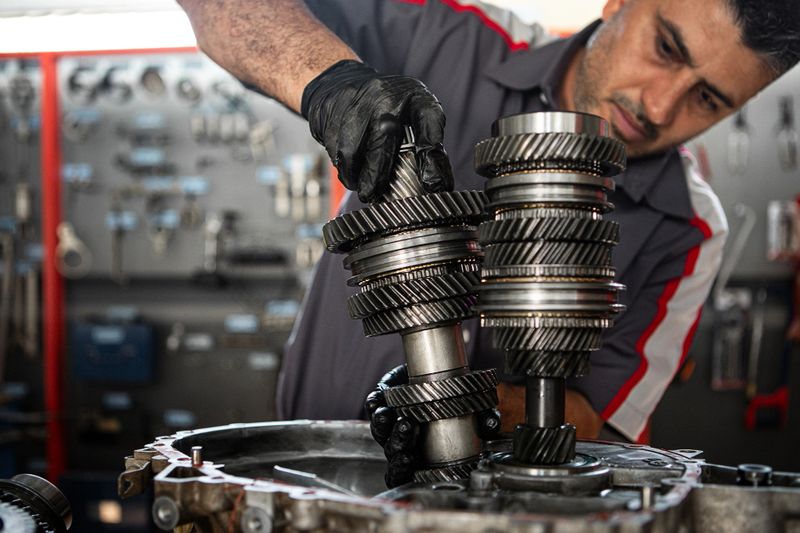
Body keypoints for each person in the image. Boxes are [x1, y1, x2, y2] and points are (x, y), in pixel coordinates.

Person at [178, 0, 800, 443]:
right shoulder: (446, 38)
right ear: (618, 4)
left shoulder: (689, 230)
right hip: (307, 476)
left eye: (709, 99)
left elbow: (603, 423)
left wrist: (468, 408)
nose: (660, 107)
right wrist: (332, 82)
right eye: (666, 47)